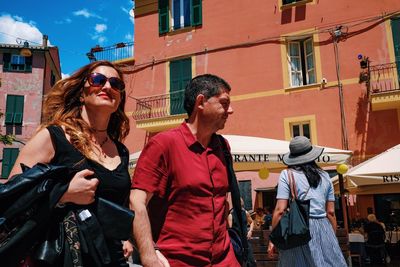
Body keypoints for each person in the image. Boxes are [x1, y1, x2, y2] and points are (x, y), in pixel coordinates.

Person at [9, 60, 133, 266]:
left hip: (112, 259)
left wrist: (126, 237)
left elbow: (118, 204)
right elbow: (14, 193)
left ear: (119, 98)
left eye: (115, 84)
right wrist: (63, 194)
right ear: (81, 94)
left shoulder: (121, 151)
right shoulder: (54, 136)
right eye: (98, 80)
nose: (108, 87)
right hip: (64, 257)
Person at [130, 74, 239, 266]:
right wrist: (149, 255)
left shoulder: (223, 147)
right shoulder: (164, 144)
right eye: (224, 102)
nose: (230, 110)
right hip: (178, 261)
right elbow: (137, 202)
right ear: (200, 102)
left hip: (225, 259)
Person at [267, 136, 347, 267]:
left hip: (298, 229)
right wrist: (330, 238)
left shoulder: (287, 174)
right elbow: (331, 212)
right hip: (324, 227)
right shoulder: (325, 176)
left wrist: (274, 239)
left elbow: (280, 210)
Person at [228, 198, 257, 267]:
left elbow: (252, 222)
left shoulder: (245, 212)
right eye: (240, 203)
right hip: (237, 242)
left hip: (246, 240)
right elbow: (230, 230)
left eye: (242, 203)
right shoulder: (231, 215)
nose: (242, 204)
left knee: (251, 261)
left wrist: (250, 231)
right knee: (239, 261)